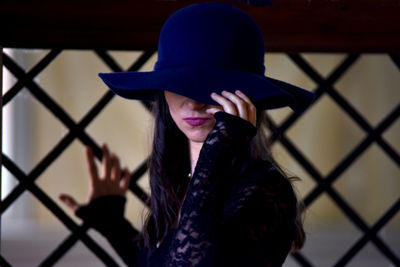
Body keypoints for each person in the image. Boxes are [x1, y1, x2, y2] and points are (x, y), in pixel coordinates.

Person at [59, 2, 315, 266]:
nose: (193, 102)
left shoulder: (264, 191)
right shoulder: (180, 180)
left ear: (247, 95)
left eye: (211, 87)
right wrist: (111, 220)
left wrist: (219, 148)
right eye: (179, 84)